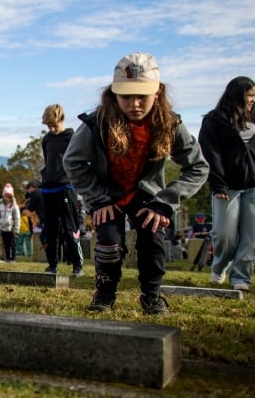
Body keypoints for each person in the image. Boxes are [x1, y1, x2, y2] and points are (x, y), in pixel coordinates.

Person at [63, 52, 209, 314]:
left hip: (149, 196)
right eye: (126, 96)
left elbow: (198, 166)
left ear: (158, 92)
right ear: (113, 94)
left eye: (143, 96)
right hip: (107, 194)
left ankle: (151, 295)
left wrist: (167, 201)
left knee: (153, 238)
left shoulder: (169, 123)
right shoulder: (97, 123)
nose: (135, 103)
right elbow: (73, 161)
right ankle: (105, 293)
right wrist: (97, 199)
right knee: (108, 240)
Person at [198, 76, 255, 292]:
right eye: (249, 95)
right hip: (228, 186)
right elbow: (209, 155)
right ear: (235, 94)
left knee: (249, 236)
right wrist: (218, 184)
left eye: (254, 96)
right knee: (225, 234)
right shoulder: (213, 121)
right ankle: (220, 265)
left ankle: (241, 277)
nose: (252, 100)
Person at [40, 104, 84, 277]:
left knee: (69, 228)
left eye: (54, 125)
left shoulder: (72, 137)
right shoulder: (47, 139)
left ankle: (77, 265)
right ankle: (52, 265)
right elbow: (47, 160)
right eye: (49, 127)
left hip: (67, 187)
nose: (52, 129)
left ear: (62, 120)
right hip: (49, 188)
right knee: (51, 229)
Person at [0, 183, 20, 263]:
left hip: (11, 228)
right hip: (3, 228)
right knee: (5, 244)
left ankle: (13, 259)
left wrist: (16, 229)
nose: (7, 198)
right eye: (5, 196)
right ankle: (7, 258)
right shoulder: (0, 206)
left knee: (13, 244)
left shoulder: (14, 206)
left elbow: (17, 218)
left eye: (9, 197)